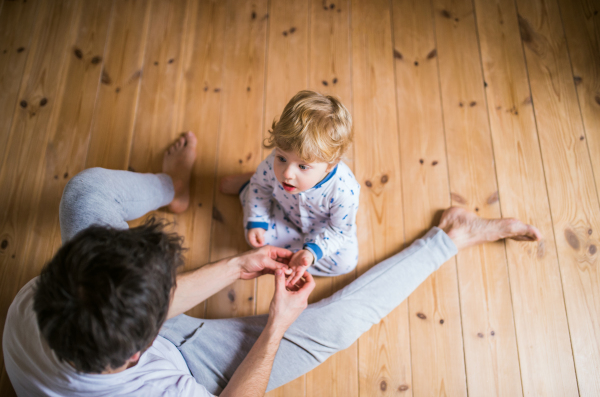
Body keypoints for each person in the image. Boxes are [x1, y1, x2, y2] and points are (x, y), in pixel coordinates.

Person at [2, 132, 542, 397]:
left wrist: (241, 265)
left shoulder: (40, 298)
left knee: (85, 192)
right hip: (186, 371)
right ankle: (452, 237)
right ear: (143, 347)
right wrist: (279, 325)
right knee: (333, 328)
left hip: (111, 333)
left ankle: (174, 188)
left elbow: (140, 298)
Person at [221, 90, 361, 286]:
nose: (287, 173)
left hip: (323, 232)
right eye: (282, 158)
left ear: (330, 165)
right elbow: (260, 189)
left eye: (303, 166)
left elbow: (339, 231)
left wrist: (311, 253)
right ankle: (246, 185)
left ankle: (300, 254)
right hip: (285, 215)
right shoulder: (272, 165)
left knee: (346, 263)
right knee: (255, 239)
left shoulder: (344, 191)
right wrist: (257, 221)